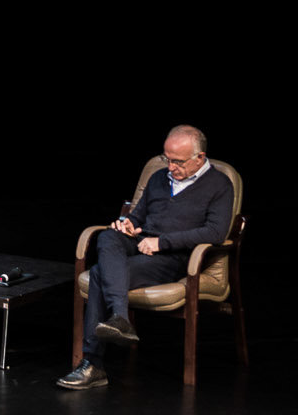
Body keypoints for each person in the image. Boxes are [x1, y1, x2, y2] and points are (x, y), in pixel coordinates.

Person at [59, 125, 234, 391]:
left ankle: (92, 363)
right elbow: (138, 216)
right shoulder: (158, 178)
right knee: (108, 236)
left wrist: (162, 242)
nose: (171, 167)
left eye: (178, 162)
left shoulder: (219, 185)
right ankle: (120, 317)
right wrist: (128, 224)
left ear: (199, 158)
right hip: (141, 243)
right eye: (167, 159)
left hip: (175, 258)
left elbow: (215, 232)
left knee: (98, 273)